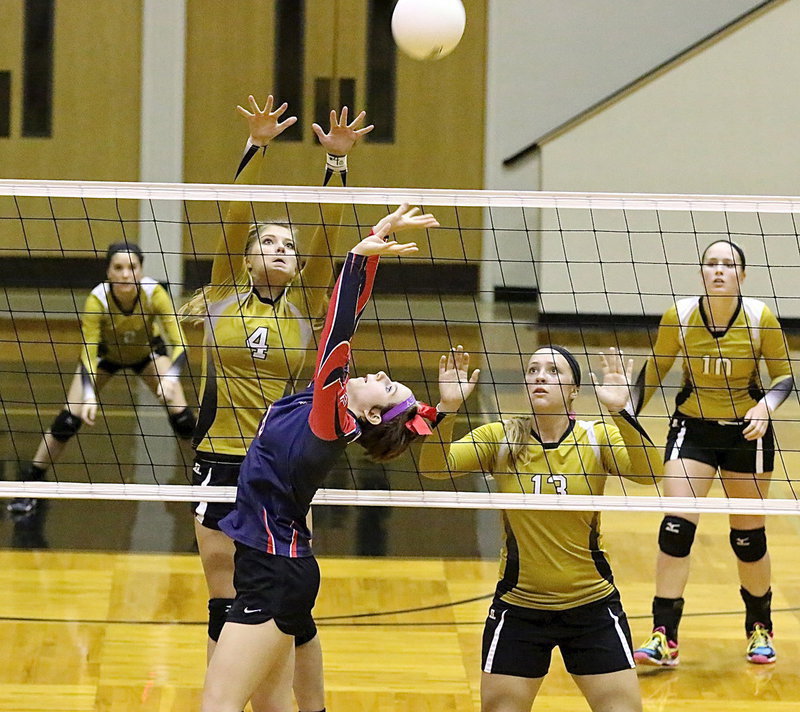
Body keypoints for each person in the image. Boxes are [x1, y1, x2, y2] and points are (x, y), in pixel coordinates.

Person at [200, 204, 440, 712]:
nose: (380, 375)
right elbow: (350, 316)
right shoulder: (324, 404)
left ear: (371, 415)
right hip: (275, 566)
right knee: (271, 706)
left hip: (273, 573)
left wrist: (355, 257)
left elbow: (336, 332)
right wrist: (374, 247)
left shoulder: (330, 420)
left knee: (217, 706)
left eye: (387, 388)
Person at [179, 95, 374, 712]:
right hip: (219, 459)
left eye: (289, 244)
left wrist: (336, 163)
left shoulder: (306, 303)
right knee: (226, 598)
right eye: (269, 241)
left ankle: (301, 705)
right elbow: (234, 215)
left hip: (280, 468)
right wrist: (256, 147)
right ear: (247, 257)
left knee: (289, 602)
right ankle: (228, 697)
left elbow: (329, 234)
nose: (283, 249)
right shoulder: (221, 294)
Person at [418, 344, 663, 712]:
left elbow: (649, 473)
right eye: (533, 370)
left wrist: (620, 411)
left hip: (592, 607)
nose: (540, 376)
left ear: (574, 390)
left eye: (553, 371)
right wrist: (447, 407)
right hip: (520, 609)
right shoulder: (501, 437)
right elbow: (435, 467)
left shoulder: (596, 438)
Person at [632, 240, 793, 667]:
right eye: (711, 263)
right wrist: (624, 411)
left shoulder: (759, 318)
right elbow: (656, 369)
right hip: (693, 430)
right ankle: (664, 635)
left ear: (743, 275)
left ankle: (760, 628)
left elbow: (783, 378)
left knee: (748, 539)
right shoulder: (681, 316)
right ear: (701, 272)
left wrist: (766, 406)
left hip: (747, 432)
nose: (719, 270)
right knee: (675, 528)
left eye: (728, 264)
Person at [9, 241, 195, 519]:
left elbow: (181, 344)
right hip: (105, 356)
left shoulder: (155, 293)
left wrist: (171, 377)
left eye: (132, 267)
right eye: (118, 268)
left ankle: (208, 481)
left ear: (141, 270)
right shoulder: (97, 299)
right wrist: (88, 395)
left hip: (148, 355)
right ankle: (31, 482)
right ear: (108, 272)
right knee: (67, 422)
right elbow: (88, 351)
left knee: (184, 421)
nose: (125, 274)